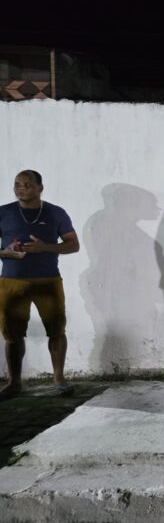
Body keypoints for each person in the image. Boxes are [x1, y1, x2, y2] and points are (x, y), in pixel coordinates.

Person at [0, 170, 80, 400]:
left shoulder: (55, 212)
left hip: (48, 281)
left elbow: (73, 244)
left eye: (27, 184)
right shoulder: (3, 212)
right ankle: (14, 382)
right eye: (17, 184)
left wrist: (45, 247)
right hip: (12, 282)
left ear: (40, 187)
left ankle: (59, 378)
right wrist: (5, 253)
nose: (21, 188)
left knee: (56, 330)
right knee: (13, 335)